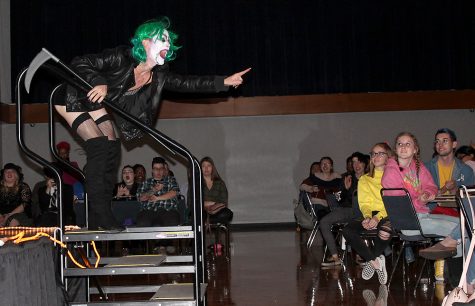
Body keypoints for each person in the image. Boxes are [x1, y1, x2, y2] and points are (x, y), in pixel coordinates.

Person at [52, 17, 250, 230]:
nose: (167, 44)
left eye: (168, 41)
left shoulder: (158, 75)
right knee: (99, 145)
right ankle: (99, 211)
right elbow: (80, 62)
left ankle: (102, 208)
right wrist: (100, 83)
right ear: (145, 42)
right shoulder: (121, 56)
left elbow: (187, 83)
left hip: (94, 101)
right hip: (72, 96)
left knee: (112, 147)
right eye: (162, 39)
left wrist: (224, 82)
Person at [381, 132, 461, 248]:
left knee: (463, 224)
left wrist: (428, 194)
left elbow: (431, 186)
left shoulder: (418, 166)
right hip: (408, 223)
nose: (403, 147)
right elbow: (401, 205)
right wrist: (421, 200)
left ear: (415, 150)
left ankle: (457, 264)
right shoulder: (391, 172)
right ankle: (452, 264)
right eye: (400, 144)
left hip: (423, 215)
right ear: (395, 149)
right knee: (461, 230)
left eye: (408, 144)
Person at [341, 143, 393, 285]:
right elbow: (364, 203)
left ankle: (373, 259)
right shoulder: (364, 179)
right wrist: (368, 217)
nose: (375, 156)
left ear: (388, 157)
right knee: (347, 230)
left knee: (385, 230)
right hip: (371, 214)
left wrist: (377, 217)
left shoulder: (394, 177)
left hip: (389, 214)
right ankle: (374, 260)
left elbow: (392, 202)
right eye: (373, 154)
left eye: (380, 153)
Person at [321, 152, 369, 266]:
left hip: (364, 211)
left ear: (364, 164)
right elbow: (339, 200)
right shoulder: (346, 177)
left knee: (357, 223)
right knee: (324, 222)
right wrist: (345, 189)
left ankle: (361, 254)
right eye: (353, 162)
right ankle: (335, 257)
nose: (356, 165)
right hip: (348, 210)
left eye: (359, 162)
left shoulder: (370, 178)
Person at [136, 157, 181, 226]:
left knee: (172, 222)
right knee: (142, 222)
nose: (158, 171)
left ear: (164, 170)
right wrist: (154, 189)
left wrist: (157, 198)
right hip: (149, 210)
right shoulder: (146, 182)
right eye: (156, 169)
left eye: (161, 168)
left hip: (168, 210)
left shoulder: (171, 180)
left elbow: (174, 192)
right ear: (152, 170)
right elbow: (141, 198)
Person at [201, 156, 233, 224]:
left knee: (228, 214)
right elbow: (190, 201)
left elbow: (223, 201)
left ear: (212, 168)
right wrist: (205, 204)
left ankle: (206, 221)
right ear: (200, 168)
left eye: (209, 165)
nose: (206, 168)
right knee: (195, 215)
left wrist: (213, 204)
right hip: (201, 210)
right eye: (203, 166)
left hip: (216, 211)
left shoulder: (220, 183)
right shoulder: (196, 183)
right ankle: (205, 221)